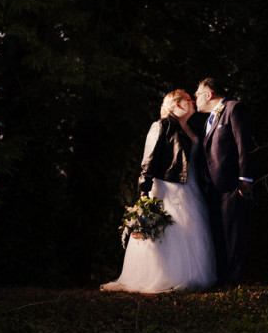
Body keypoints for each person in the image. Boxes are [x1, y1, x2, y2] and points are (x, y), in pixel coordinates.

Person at [101, 89, 216, 293]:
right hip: (168, 186)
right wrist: (144, 188)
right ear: (177, 104)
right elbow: (149, 159)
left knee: (190, 230)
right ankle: (164, 277)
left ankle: (189, 276)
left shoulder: (192, 128)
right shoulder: (162, 125)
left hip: (190, 187)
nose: (192, 102)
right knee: (167, 231)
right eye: (188, 99)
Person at [194, 77, 258, 287]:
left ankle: (234, 284)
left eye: (197, 94)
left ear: (209, 94)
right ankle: (223, 281)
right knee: (220, 235)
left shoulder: (233, 109)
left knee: (233, 235)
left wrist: (244, 179)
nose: (195, 99)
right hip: (213, 188)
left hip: (233, 186)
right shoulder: (208, 120)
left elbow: (243, 143)